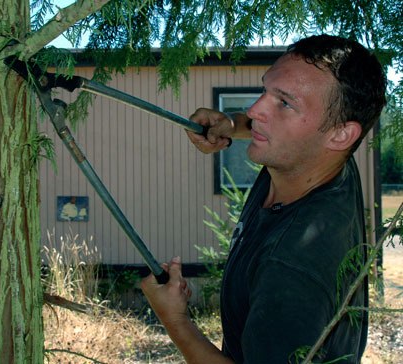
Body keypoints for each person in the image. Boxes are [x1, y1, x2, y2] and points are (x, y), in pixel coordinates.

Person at [141, 34, 387, 363]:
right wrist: (231, 125)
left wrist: (174, 320)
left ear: (341, 134)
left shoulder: (292, 268)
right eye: (265, 91)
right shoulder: (320, 161)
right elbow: (267, 121)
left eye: (284, 103)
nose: (255, 110)